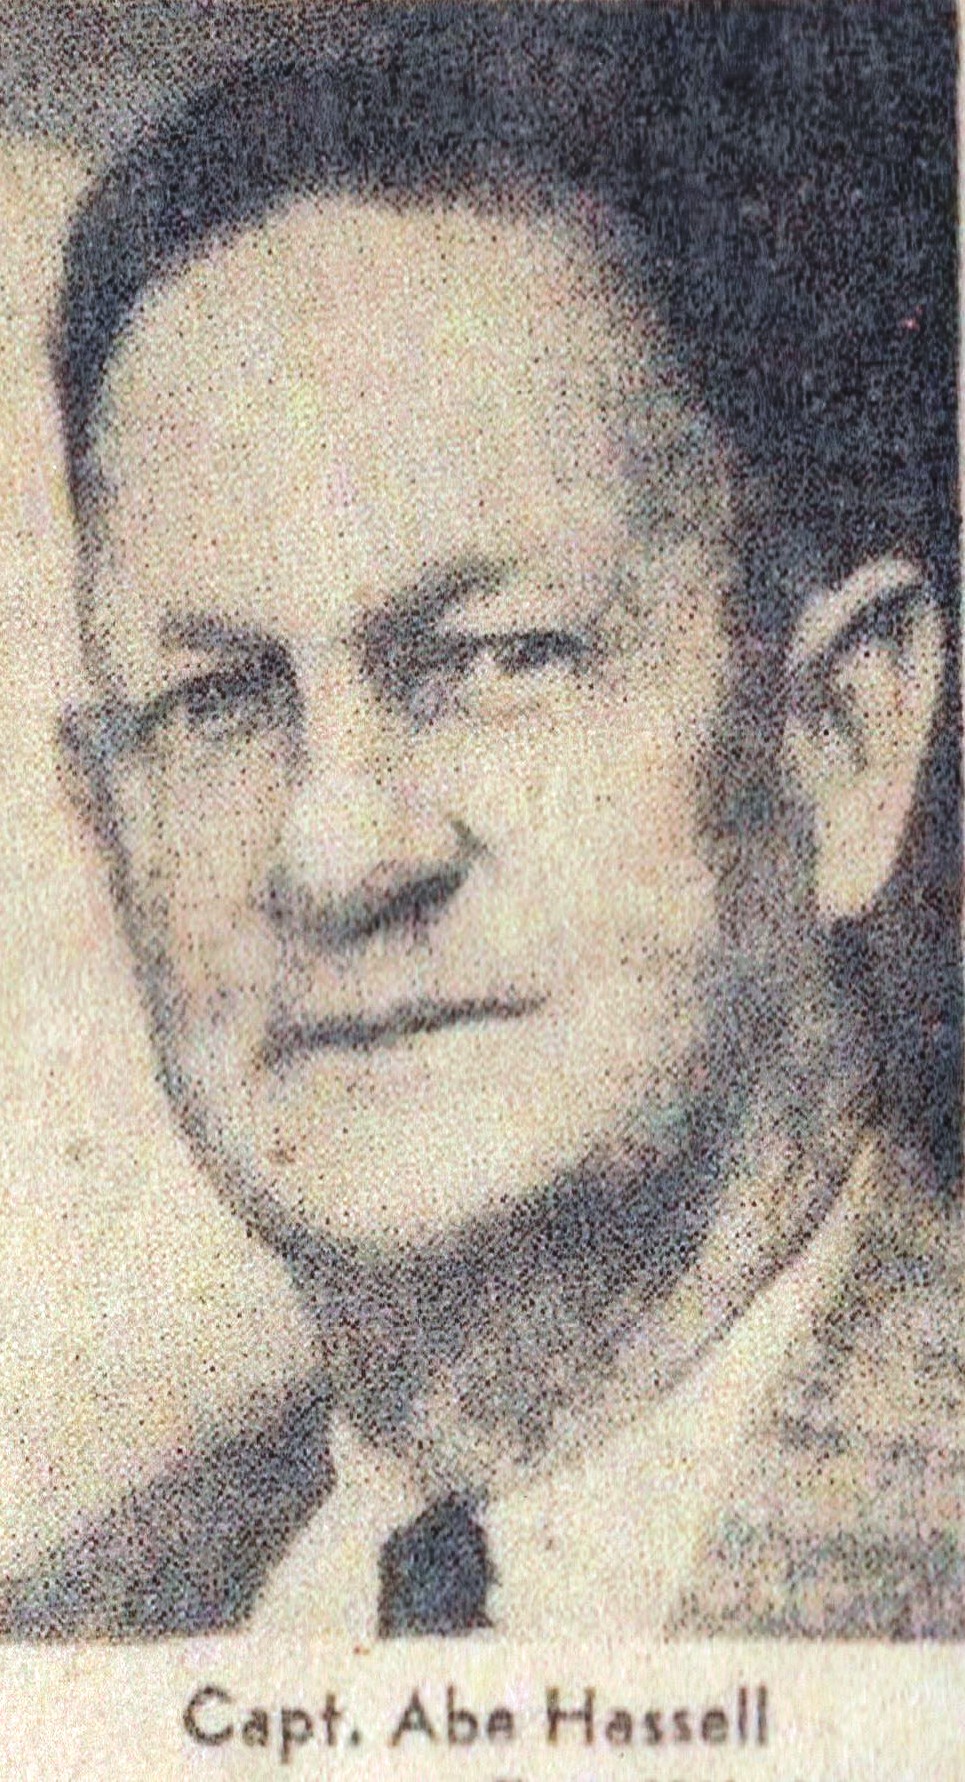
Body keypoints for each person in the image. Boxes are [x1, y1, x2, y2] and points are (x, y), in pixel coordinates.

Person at [3, 5, 961, 1639]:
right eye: (216, 701)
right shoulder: (65, 1641)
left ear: (837, 739)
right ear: (108, 829)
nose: (336, 855)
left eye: (493, 659)